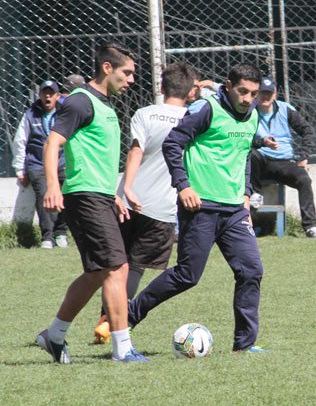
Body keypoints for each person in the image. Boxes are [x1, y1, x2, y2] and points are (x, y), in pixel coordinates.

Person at [128, 63, 268, 353]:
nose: (247, 99)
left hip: (234, 211)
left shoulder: (253, 116)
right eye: (242, 91)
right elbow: (172, 143)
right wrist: (183, 186)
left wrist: (245, 193)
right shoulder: (206, 109)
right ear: (228, 86)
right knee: (187, 276)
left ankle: (245, 345)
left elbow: (243, 155)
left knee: (251, 270)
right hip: (201, 207)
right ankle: (128, 316)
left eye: (253, 94)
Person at [36, 42, 149, 363]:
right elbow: (52, 143)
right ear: (107, 68)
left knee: (98, 272)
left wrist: (113, 195)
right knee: (117, 268)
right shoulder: (80, 101)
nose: (131, 80)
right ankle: (123, 348)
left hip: (99, 196)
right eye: (127, 72)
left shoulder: (104, 105)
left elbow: (95, 158)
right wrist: (53, 186)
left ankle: (54, 335)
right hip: (83, 195)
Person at [93, 61, 197, 344]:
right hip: (163, 207)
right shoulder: (195, 118)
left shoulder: (145, 113)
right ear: (191, 91)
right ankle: (110, 323)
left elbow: (136, 151)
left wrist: (127, 187)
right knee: (136, 266)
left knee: (116, 264)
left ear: (161, 87)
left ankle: (105, 318)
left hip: (128, 200)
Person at [250, 76, 316, 238]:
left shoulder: (285, 109)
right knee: (251, 154)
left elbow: (307, 131)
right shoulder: (249, 112)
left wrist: (302, 155)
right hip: (259, 161)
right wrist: (262, 142)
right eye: (262, 93)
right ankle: (255, 196)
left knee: (304, 180)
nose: (265, 97)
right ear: (256, 94)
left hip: (283, 161)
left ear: (275, 94)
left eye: (269, 93)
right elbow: (242, 138)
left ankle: (310, 226)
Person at [11, 80, 68, 249]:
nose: (47, 96)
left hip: (62, 162)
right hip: (37, 164)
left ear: (58, 96)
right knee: (44, 195)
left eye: (51, 93)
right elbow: (20, 141)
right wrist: (20, 169)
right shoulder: (30, 114)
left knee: (66, 194)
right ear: (40, 95)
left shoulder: (65, 113)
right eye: (44, 93)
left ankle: (61, 232)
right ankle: (47, 236)